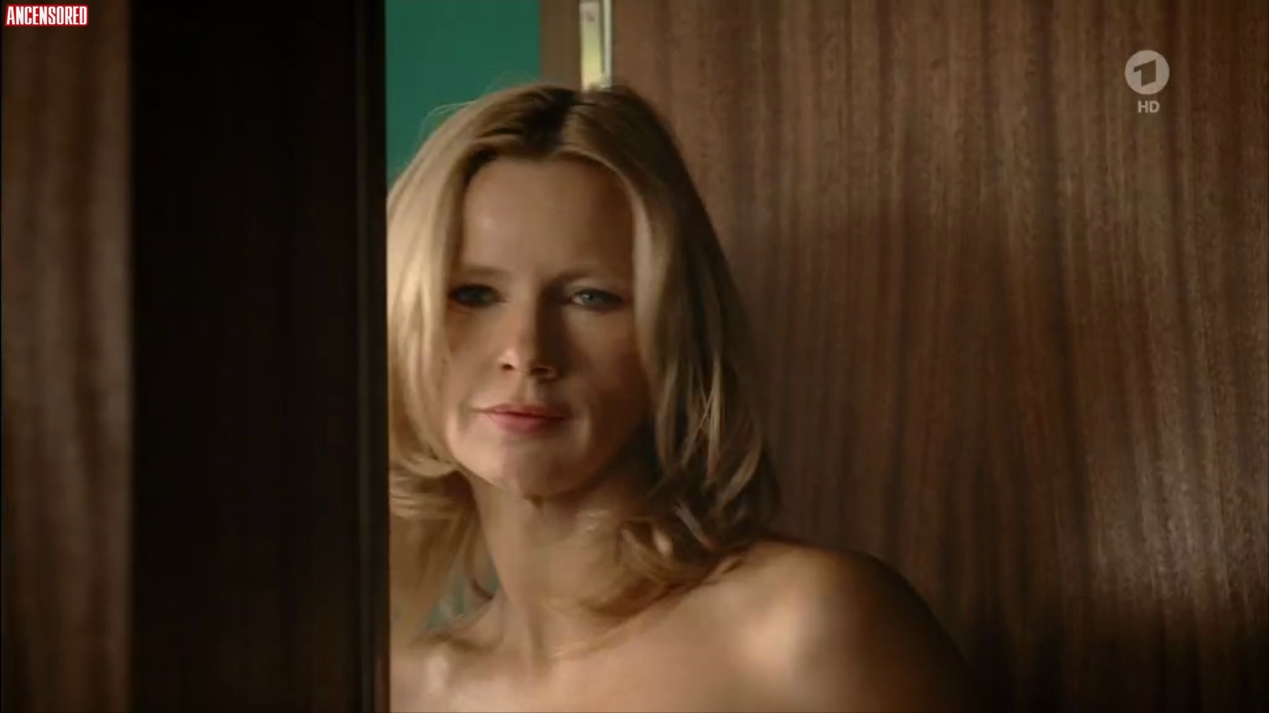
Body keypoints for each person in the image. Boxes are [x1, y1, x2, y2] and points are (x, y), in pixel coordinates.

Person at [386, 81, 984, 712]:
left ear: (674, 332)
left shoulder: (808, 631)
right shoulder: (402, 688)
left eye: (590, 297)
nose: (526, 350)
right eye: (474, 294)